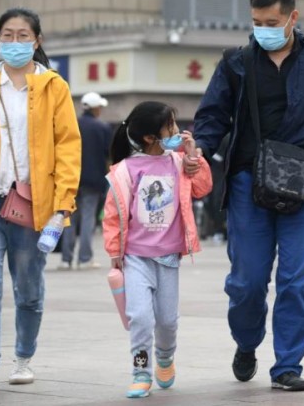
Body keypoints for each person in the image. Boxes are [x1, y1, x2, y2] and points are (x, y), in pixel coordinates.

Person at [191, 0, 304, 392]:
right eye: (257, 23)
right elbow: (212, 115)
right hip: (247, 182)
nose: (263, 30)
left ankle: (288, 365)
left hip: (302, 184)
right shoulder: (236, 62)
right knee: (247, 281)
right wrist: (201, 147)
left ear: (293, 18)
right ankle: (246, 342)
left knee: (298, 278)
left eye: (272, 23)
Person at [0, 8, 81, 392]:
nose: (14, 43)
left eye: (22, 35)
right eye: (7, 35)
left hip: (32, 207)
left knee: (27, 289)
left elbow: (68, 147)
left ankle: (23, 357)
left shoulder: (53, 87)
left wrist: (63, 205)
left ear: (37, 40)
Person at [102, 102, 212, 398]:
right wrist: (115, 251)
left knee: (166, 320)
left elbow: (203, 188)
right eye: (171, 126)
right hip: (136, 257)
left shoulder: (179, 163)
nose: (177, 131)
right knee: (140, 317)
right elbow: (112, 216)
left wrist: (194, 158)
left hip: (168, 257)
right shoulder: (125, 170)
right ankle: (141, 370)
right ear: (151, 137)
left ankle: (165, 355)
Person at [59, 92, 113, 270]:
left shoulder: (71, 124)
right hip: (93, 180)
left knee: (69, 218)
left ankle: (66, 259)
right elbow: (108, 155)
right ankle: (84, 259)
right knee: (89, 218)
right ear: (96, 108)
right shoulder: (102, 127)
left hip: (70, 179)